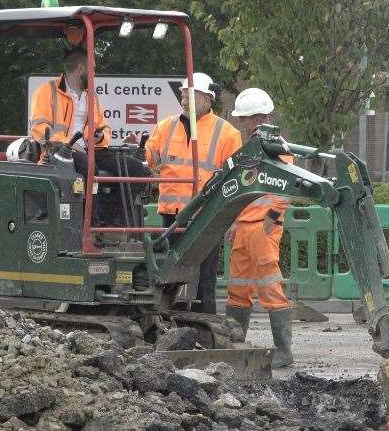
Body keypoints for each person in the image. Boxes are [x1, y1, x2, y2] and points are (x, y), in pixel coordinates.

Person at [145, 72, 242, 314]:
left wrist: (233, 220)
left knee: (204, 277)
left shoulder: (227, 133)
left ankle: (204, 323)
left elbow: (237, 182)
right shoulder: (165, 127)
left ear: (208, 99)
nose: (184, 99)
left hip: (207, 218)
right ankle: (170, 324)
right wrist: (141, 147)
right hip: (173, 217)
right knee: (169, 276)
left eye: (191, 94)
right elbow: (150, 159)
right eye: (182, 94)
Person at [29, 48, 149, 222]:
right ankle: (89, 223)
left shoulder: (91, 96)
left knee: (137, 169)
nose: (94, 74)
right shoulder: (47, 91)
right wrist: (69, 143)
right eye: (92, 69)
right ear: (80, 69)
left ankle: (116, 222)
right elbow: (39, 127)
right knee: (88, 165)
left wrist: (100, 137)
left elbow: (104, 128)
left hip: (93, 149)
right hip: (60, 151)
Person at [225, 87, 294, 368]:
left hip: (264, 226)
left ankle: (283, 350)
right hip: (244, 225)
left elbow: (287, 186)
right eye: (246, 118)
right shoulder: (246, 150)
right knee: (238, 287)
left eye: (255, 117)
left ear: (266, 116)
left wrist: (273, 217)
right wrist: (232, 220)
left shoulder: (279, 148)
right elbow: (237, 189)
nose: (250, 123)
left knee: (269, 287)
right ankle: (234, 343)